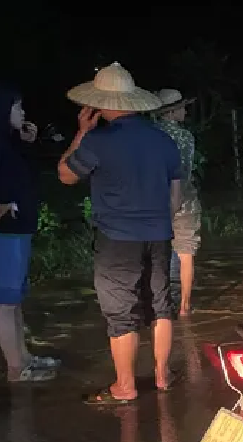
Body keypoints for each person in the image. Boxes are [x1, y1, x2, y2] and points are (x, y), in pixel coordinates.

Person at [57, 63, 181, 405]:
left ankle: (125, 386)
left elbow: (65, 175)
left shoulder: (98, 141)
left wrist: (81, 132)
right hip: (159, 233)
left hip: (117, 239)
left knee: (121, 309)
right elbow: (175, 195)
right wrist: (161, 224)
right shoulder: (163, 139)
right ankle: (162, 375)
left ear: (101, 102)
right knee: (160, 304)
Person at [0, 86, 61, 382]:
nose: (23, 113)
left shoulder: (8, 142)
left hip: (18, 230)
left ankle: (24, 358)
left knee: (15, 300)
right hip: (4, 233)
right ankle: (16, 369)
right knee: (5, 301)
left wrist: (28, 143)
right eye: (17, 107)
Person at [154, 89, 202, 316]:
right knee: (185, 252)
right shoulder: (185, 137)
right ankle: (185, 306)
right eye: (182, 108)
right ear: (171, 112)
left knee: (156, 253)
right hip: (184, 199)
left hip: (154, 200)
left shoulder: (150, 135)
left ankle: (159, 305)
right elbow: (186, 170)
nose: (185, 111)